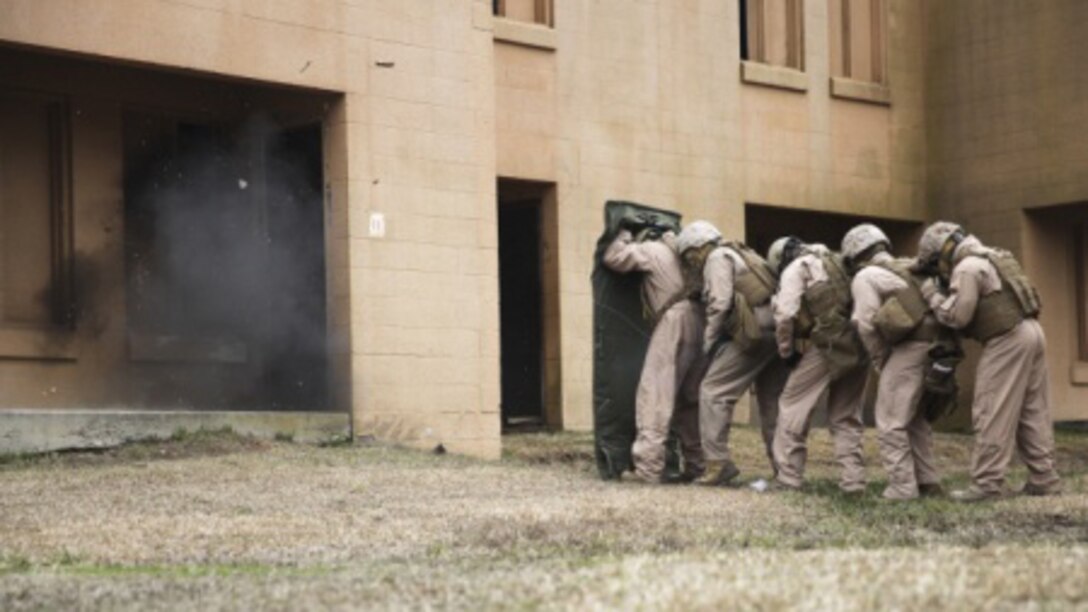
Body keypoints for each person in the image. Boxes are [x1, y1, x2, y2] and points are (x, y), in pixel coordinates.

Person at [916, 221, 1061, 502]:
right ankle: (1044, 478)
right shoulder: (995, 255)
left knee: (991, 408)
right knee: (1033, 411)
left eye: (936, 263)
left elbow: (959, 316)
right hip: (1031, 332)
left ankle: (987, 484)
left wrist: (933, 296)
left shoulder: (967, 268)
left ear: (943, 251)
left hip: (1006, 339)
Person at [674, 221, 788, 486]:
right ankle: (785, 469)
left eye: (689, 256)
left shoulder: (717, 257)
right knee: (772, 404)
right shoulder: (744, 253)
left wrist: (709, 343)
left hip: (753, 332)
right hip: (778, 331)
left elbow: (720, 303)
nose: (690, 263)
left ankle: (717, 463)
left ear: (697, 247)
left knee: (713, 392)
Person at [842, 223, 943, 500]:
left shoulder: (866, 276)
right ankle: (927, 481)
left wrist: (880, 357)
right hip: (937, 349)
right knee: (917, 420)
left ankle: (901, 487)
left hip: (906, 350)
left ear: (854, 254)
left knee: (890, 420)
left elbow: (865, 323)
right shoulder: (911, 268)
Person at [602, 220, 706, 483]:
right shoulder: (684, 254)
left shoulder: (651, 249)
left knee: (655, 393)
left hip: (675, 320)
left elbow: (613, 258)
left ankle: (648, 468)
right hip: (700, 320)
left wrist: (624, 236)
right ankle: (697, 465)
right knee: (688, 399)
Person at [767, 236, 868, 493]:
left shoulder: (798, 267)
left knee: (792, 405)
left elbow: (786, 313)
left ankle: (788, 477)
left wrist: (786, 352)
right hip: (859, 343)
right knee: (846, 415)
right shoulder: (838, 260)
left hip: (828, 344)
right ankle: (853, 480)